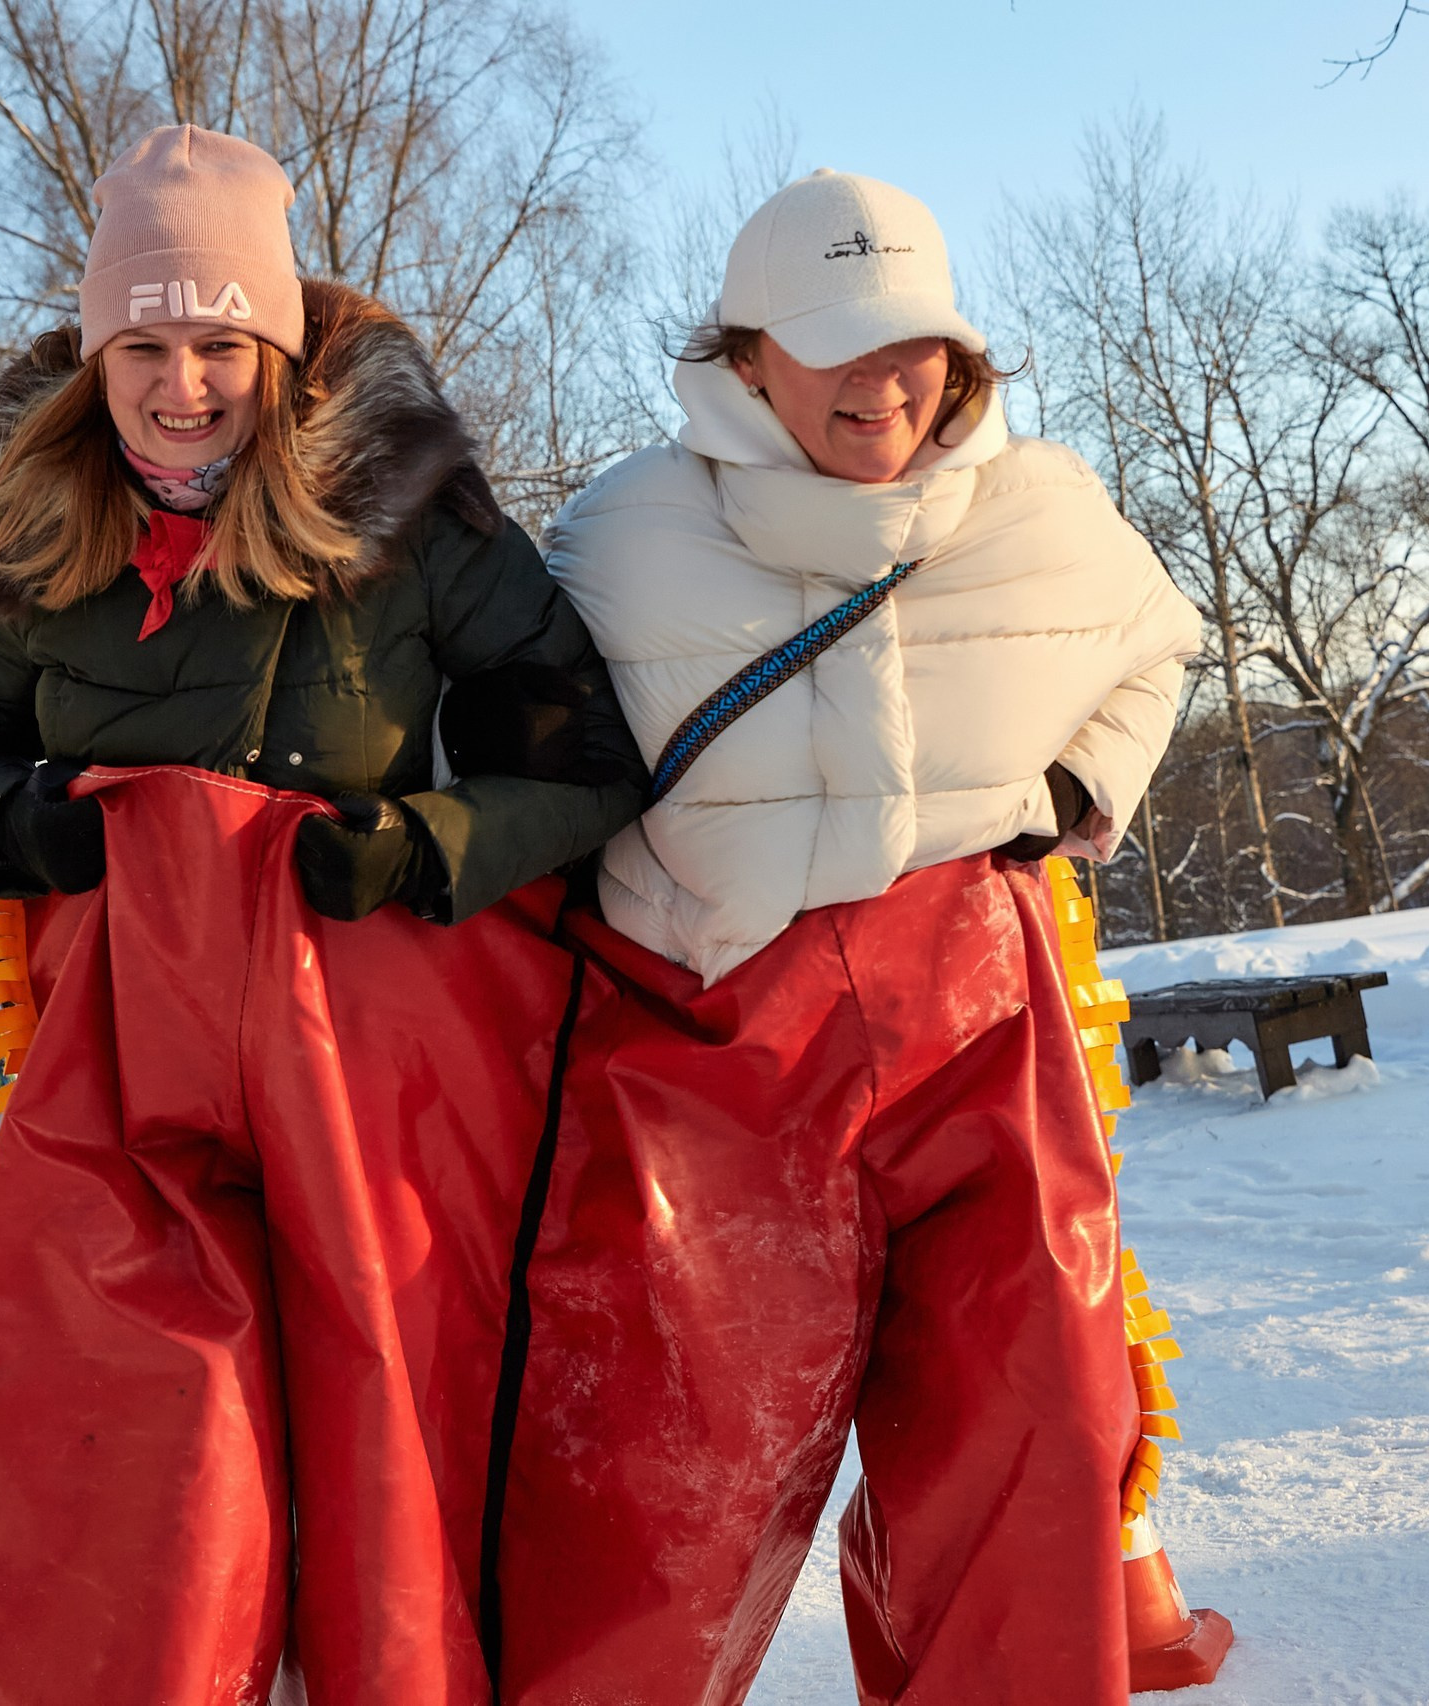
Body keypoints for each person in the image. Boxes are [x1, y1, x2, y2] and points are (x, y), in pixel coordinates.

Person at [0, 125, 645, 1701]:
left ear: (283, 349)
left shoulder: (411, 519)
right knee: (134, 1456)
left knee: (384, 1438)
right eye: (146, 345)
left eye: (223, 342)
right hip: (123, 1054)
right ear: (96, 354)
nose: (185, 388)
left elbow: (588, 757)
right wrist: (11, 821)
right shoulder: (37, 538)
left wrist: (431, 841)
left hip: (363, 1058)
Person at [489, 170, 1205, 1704]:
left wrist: (1082, 786)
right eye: (836, 345)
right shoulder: (623, 531)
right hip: (713, 1041)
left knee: (1028, 1445)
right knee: (667, 1486)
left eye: (913, 345)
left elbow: (1159, 643)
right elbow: (518, 751)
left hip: (979, 1018)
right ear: (748, 356)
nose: (884, 385)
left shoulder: (1048, 510)